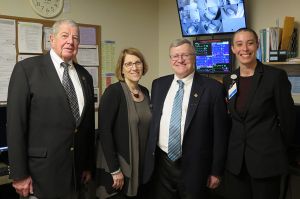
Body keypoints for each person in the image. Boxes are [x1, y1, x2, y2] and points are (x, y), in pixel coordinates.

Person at [7, 19, 95, 199]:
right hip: (41, 176)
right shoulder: (27, 70)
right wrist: (19, 175)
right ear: (52, 39)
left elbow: (86, 126)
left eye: (75, 38)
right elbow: (16, 125)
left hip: (76, 175)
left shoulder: (85, 76)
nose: (70, 41)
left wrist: (87, 164)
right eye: (65, 36)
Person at [143, 38, 229, 199]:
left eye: (185, 55)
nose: (180, 60)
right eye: (175, 56)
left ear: (194, 57)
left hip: (195, 167)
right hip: (162, 165)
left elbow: (221, 135)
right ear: (170, 60)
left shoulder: (213, 89)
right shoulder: (158, 85)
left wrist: (216, 171)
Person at [222, 28, 296, 199]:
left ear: (257, 45)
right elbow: (232, 119)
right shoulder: (229, 79)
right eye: (239, 44)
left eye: (250, 43)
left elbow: (288, 119)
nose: (244, 49)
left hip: (266, 161)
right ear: (233, 49)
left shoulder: (275, 76)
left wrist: (278, 149)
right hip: (236, 163)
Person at [96, 48, 151, 199]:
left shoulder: (145, 92)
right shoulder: (113, 92)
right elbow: (104, 132)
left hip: (143, 166)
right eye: (128, 64)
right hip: (121, 168)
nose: (134, 68)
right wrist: (115, 170)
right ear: (121, 69)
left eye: (137, 63)